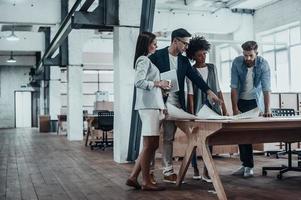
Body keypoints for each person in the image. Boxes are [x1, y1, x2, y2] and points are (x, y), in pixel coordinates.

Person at [149, 28, 223, 183]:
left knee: (169, 138)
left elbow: (195, 78)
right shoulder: (157, 56)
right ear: (175, 41)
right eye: (185, 43)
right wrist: (157, 85)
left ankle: (168, 171)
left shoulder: (183, 61)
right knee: (152, 139)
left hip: (175, 104)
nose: (186, 47)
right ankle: (148, 171)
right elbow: (146, 78)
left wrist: (209, 91)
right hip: (156, 103)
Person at [126, 32, 171, 191]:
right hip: (148, 107)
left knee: (150, 145)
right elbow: (139, 82)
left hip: (152, 106)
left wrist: (161, 90)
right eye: (154, 43)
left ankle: (133, 177)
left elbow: (148, 85)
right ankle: (145, 181)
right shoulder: (144, 60)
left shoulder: (146, 60)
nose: (156, 46)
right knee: (149, 145)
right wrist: (158, 83)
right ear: (146, 44)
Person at [185, 36, 229, 182]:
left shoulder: (212, 67)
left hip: (213, 108)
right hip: (198, 109)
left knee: (209, 139)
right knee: (194, 141)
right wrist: (192, 114)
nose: (202, 57)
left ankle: (206, 171)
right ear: (193, 56)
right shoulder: (190, 70)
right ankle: (195, 168)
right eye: (199, 55)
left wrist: (225, 108)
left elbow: (217, 88)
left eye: (204, 53)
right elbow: (190, 93)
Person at [231, 40, 272, 178]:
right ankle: (246, 165)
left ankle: (248, 166)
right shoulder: (237, 62)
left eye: (251, 56)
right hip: (241, 101)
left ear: (257, 54)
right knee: (241, 134)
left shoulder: (263, 64)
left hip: (255, 103)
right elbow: (234, 87)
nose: (247, 58)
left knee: (248, 134)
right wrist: (235, 108)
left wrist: (267, 109)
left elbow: (266, 89)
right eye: (245, 55)